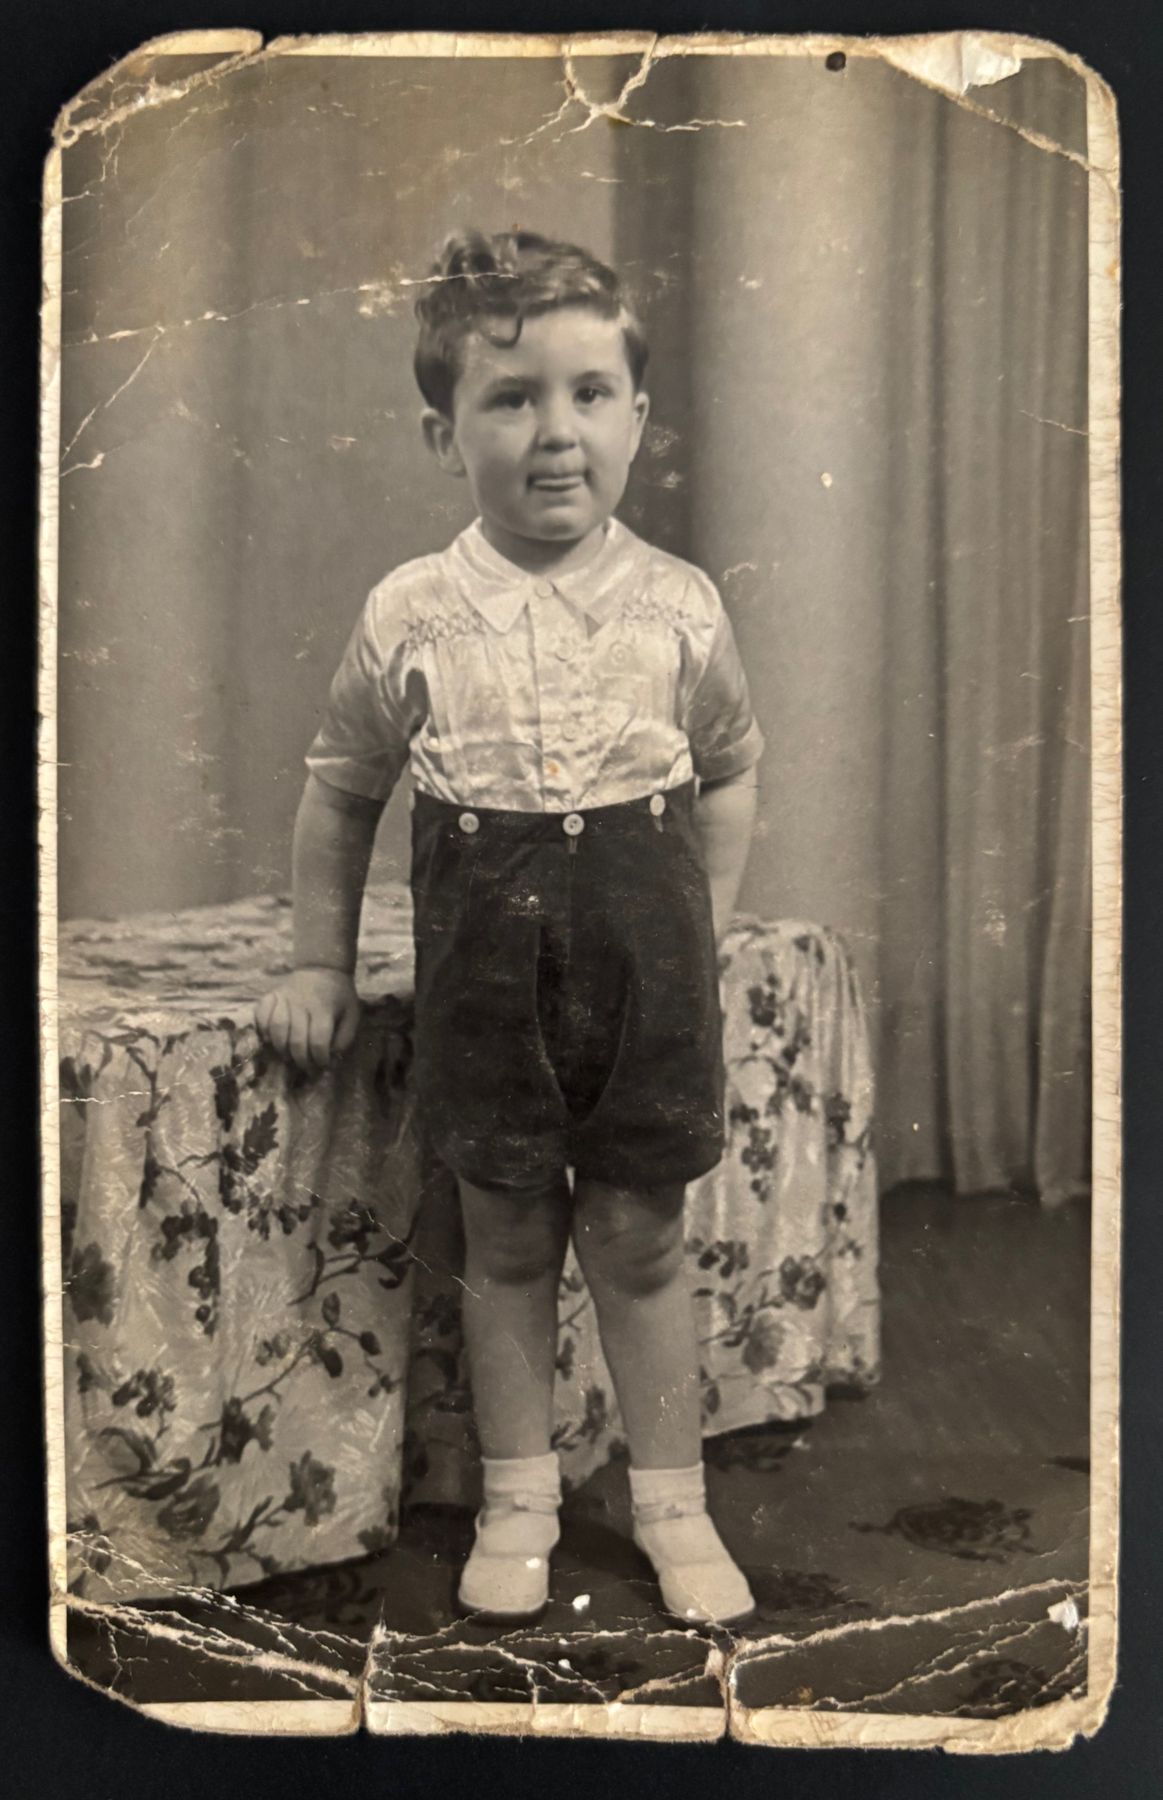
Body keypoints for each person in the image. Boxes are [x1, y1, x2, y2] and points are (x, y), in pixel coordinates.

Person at [255, 230, 764, 1628]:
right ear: (445, 433)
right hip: (487, 990)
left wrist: (703, 934)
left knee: (641, 1239)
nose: (556, 433)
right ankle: (520, 1499)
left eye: (590, 394)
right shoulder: (412, 612)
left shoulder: (680, 605)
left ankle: (673, 1504)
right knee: (510, 1240)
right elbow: (338, 792)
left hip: (644, 987)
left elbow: (732, 767)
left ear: (637, 419)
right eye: (513, 397)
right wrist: (317, 962)